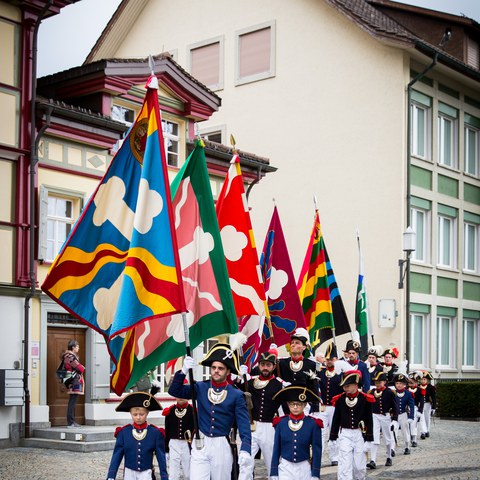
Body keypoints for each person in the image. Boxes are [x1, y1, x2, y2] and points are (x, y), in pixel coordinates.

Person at [168, 343, 253, 480]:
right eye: (213, 367)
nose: (216, 371)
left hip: (221, 445)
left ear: (227, 371)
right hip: (200, 442)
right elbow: (175, 391)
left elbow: (244, 425)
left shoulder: (236, 395)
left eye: (220, 368)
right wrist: (183, 371)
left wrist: (246, 448)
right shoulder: (201, 387)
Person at [237, 348, 282, 475]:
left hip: (269, 428)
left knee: (272, 463)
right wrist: (239, 377)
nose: (265, 368)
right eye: (263, 364)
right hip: (251, 427)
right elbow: (237, 388)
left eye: (268, 365)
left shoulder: (279, 384)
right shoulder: (250, 381)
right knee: (245, 462)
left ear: (273, 367)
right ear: (259, 365)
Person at [106, 390, 168, 480]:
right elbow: (117, 456)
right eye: (135, 414)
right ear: (131, 414)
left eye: (141, 414)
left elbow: (161, 457)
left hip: (146, 473)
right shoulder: (124, 433)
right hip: (129, 472)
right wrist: (111, 475)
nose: (138, 417)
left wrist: (164, 476)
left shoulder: (155, 433)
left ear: (147, 413)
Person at [270, 385, 323, 480]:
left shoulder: (313, 424)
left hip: (304, 467)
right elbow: (276, 449)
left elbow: (317, 451)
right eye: (292, 404)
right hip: (285, 466)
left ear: (304, 405)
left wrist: (315, 473)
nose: (295, 407)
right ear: (288, 404)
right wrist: (273, 472)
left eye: (298, 404)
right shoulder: (280, 423)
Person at [329, 370, 374, 480]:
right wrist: (333, 437)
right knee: (345, 463)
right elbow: (336, 418)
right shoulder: (340, 399)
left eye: (348, 386)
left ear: (355, 385)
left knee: (359, 466)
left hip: (359, 434)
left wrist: (369, 439)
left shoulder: (365, 399)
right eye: (344, 386)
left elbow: (369, 420)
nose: (345, 388)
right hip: (345, 433)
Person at [277, 328, 319, 413]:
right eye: (292, 343)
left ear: (304, 347)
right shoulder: (281, 363)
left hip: (303, 404)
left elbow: (314, 386)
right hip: (285, 404)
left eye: (297, 343)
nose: (293, 345)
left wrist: (315, 408)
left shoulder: (311, 364)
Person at [315, 342, 343, 466]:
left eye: (331, 359)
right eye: (327, 359)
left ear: (336, 359)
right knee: (320, 432)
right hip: (322, 407)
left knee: (334, 432)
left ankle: (334, 457)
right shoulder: (320, 372)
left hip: (335, 407)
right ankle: (318, 457)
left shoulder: (340, 373)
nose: (329, 361)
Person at [366, 372, 398, 469]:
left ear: (384, 382)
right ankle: (373, 460)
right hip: (374, 416)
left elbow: (395, 407)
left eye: (379, 382)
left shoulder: (389, 392)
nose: (377, 384)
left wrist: (395, 420)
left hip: (386, 416)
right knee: (374, 438)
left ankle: (389, 457)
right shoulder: (371, 392)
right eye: (376, 382)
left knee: (387, 437)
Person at [163, 396, 194, 480]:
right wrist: (166, 449)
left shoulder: (192, 411)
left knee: (188, 472)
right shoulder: (171, 410)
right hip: (174, 443)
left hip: (187, 444)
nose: (181, 397)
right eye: (178, 395)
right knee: (173, 473)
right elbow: (167, 430)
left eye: (183, 395)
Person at [62, 339, 85, 428]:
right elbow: (80, 368)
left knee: (73, 401)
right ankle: (70, 422)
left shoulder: (69, 356)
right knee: (72, 401)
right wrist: (82, 367)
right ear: (73, 347)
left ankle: (71, 422)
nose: (78, 348)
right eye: (77, 346)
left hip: (73, 380)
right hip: (74, 381)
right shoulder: (70, 356)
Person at [392, 373, 415, 456]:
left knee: (405, 431)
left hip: (403, 415)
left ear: (404, 384)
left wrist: (411, 417)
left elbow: (411, 406)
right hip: (394, 416)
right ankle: (392, 448)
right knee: (393, 431)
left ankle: (407, 446)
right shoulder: (393, 393)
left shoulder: (408, 394)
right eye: (397, 383)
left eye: (401, 383)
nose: (398, 385)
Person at [407, 371, 425, 448]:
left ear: (416, 383)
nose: (411, 384)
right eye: (410, 382)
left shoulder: (420, 390)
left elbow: (422, 402)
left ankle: (414, 440)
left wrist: (420, 411)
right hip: (406, 409)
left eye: (413, 382)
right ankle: (409, 437)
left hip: (415, 409)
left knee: (414, 425)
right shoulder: (406, 390)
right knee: (407, 425)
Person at [419, 370, 436, 439]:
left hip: (427, 404)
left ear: (427, 380)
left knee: (427, 418)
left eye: (424, 379)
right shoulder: (418, 387)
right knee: (421, 418)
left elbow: (433, 397)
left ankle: (427, 430)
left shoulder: (431, 387)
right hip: (420, 404)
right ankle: (422, 432)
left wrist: (433, 407)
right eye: (421, 379)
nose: (423, 381)